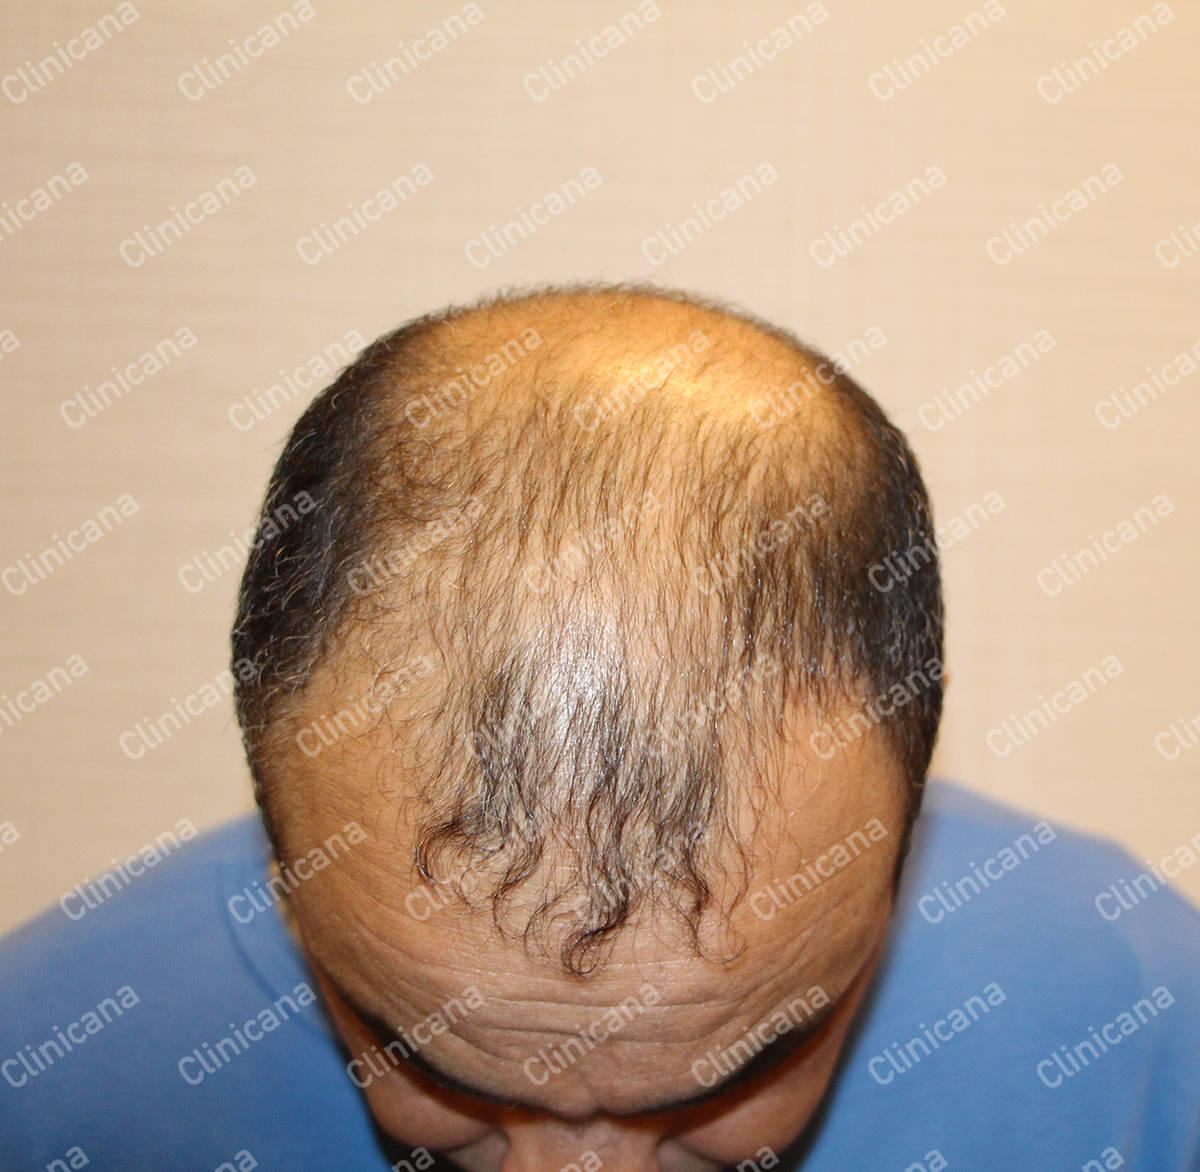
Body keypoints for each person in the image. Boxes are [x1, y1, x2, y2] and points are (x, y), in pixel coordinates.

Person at [1, 285, 1197, 1172]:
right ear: (288, 873)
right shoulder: (52, 1078)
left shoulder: (1143, 1023)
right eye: (435, 1058)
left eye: (732, 1068)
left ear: (890, 870)